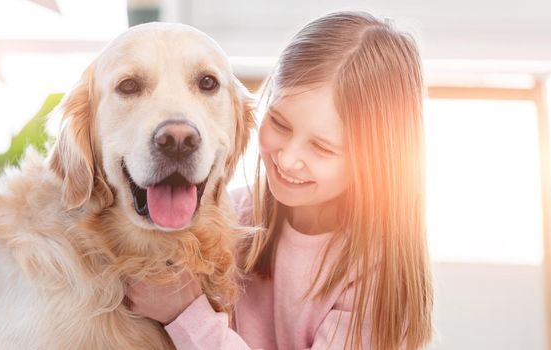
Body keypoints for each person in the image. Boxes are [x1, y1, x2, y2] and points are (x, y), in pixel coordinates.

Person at [127, 11, 434, 349]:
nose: (287, 158)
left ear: (375, 160)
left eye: (321, 147)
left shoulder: (374, 278)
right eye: (280, 124)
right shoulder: (233, 213)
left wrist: (186, 315)